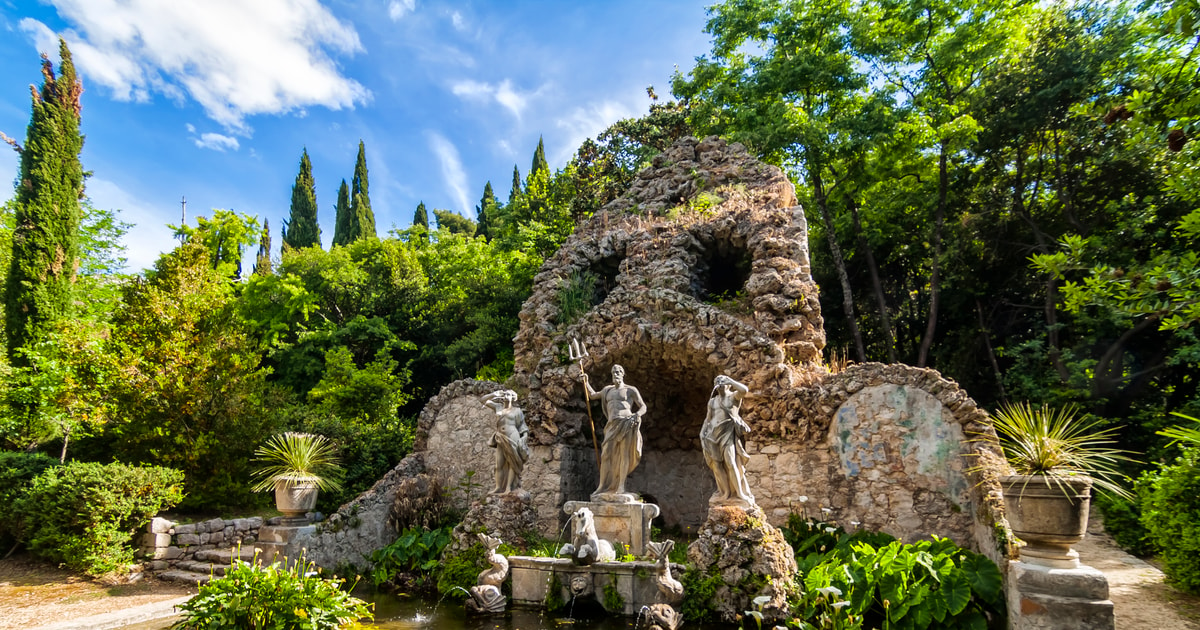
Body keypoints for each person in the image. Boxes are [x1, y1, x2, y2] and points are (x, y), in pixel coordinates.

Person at [579, 364, 646, 499]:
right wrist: (586, 382)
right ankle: (602, 486)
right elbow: (592, 395)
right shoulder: (607, 390)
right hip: (611, 425)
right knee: (605, 455)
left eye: (618, 372)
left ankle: (621, 486)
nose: (615, 374)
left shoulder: (630, 390)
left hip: (626, 423)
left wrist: (637, 415)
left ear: (623, 373)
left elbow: (643, 406)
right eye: (613, 372)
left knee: (624, 454)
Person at [700, 374, 754, 505]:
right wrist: (702, 433)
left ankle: (739, 493)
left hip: (727, 434)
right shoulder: (713, 401)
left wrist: (729, 380)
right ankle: (725, 493)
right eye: (716, 381)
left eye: (721, 381)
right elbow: (708, 419)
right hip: (712, 435)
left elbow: (744, 390)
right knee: (717, 465)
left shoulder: (733, 397)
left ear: (728, 384)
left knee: (730, 462)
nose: (718, 383)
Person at [480, 389, 528, 494]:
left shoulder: (517, 411)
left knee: (512, 463)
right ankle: (498, 487)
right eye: (505, 394)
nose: (506, 396)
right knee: (498, 464)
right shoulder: (498, 407)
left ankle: (509, 488)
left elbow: (523, 427)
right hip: (500, 437)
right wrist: (493, 394)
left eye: (509, 394)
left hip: (513, 436)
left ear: (513, 397)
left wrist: (524, 438)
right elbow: (483, 400)